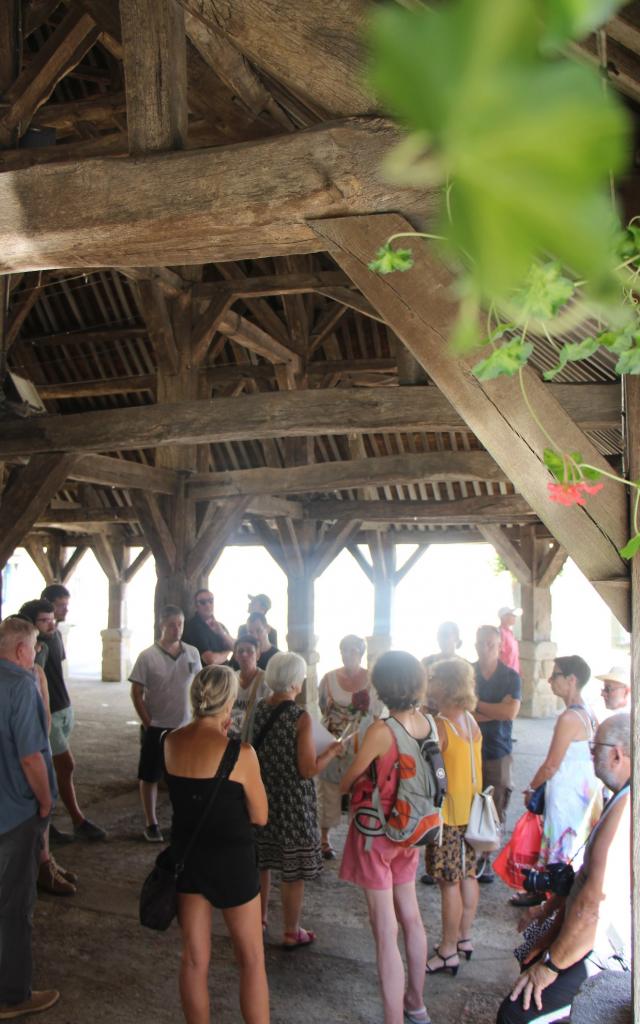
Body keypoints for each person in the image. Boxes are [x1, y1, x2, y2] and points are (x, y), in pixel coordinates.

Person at [497, 713, 631, 1024]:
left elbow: (591, 907)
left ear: (616, 754)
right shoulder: (620, 796)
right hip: (587, 935)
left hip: (605, 952)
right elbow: (582, 884)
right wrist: (547, 919)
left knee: (516, 1014)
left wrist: (550, 966)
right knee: (528, 952)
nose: (590, 753)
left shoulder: (625, 809)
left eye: (594, 747)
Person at [164, 666, 269, 1024]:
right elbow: (260, 816)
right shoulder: (241, 753)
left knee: (194, 959)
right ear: (229, 703)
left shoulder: (170, 741)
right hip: (233, 861)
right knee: (251, 959)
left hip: (188, 857)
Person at [339, 651, 432, 1024]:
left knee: (384, 928)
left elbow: (348, 779)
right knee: (411, 916)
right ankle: (417, 1004)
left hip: (375, 834)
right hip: (409, 830)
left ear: (381, 686)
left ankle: (393, 1018)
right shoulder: (428, 723)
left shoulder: (382, 731)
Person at [253, 651, 341, 948]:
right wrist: (331, 752)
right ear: (294, 683)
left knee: (261, 861)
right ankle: (291, 931)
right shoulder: (299, 717)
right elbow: (307, 769)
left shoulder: (258, 709)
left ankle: (258, 919)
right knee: (292, 870)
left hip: (261, 794)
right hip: (291, 801)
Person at [0, 616, 60, 1020]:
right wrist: (45, 802)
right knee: (14, 907)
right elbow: (30, 757)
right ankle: (13, 995)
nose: (37, 652)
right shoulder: (21, 686)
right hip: (15, 814)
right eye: (36, 645)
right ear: (22, 650)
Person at [510, 656, 601, 909]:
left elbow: (551, 764)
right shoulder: (588, 713)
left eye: (556, 675)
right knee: (572, 846)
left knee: (560, 848)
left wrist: (531, 787)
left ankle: (553, 903)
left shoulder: (569, 718)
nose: (550, 680)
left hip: (566, 796)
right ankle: (550, 896)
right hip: (582, 794)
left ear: (572, 680)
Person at [425, 657, 482, 976]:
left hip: (447, 815)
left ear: (445, 685)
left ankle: (447, 950)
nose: (429, 683)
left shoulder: (441, 725)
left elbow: (433, 769)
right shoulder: (470, 720)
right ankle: (464, 937)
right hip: (471, 812)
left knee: (448, 882)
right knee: (468, 875)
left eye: (433, 678)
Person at [17, 601, 76, 896]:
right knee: (36, 807)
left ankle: (45, 860)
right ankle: (41, 866)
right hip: (28, 754)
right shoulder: (25, 678)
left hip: (34, 746)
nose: (37, 649)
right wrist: (45, 796)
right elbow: (38, 730)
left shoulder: (34, 669)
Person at [40, 584, 106, 843]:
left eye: (66, 605)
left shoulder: (56, 635)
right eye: (61, 605)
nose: (65, 610)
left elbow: (56, 672)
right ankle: (70, 821)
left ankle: (50, 823)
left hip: (62, 708)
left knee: (56, 768)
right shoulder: (38, 642)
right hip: (50, 712)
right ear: (48, 604)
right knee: (63, 766)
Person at [129, 606, 200, 842]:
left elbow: (199, 686)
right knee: (150, 775)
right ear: (161, 625)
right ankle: (151, 823)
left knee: (185, 776)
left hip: (185, 726)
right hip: (158, 725)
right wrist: (148, 722)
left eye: (180, 624)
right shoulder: (147, 656)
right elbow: (136, 692)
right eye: (171, 625)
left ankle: (183, 820)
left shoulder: (192, 652)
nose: (176, 629)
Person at [318, 634, 377, 860]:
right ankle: (324, 839)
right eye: (344, 650)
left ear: (361, 653)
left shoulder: (372, 680)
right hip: (333, 743)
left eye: (353, 650)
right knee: (328, 789)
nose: (348, 654)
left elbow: (376, 712)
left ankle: (357, 839)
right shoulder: (328, 678)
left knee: (360, 789)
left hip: (361, 744)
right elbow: (323, 707)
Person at [473, 624, 521, 881]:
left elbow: (509, 713)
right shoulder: (467, 673)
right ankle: (466, 853)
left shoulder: (510, 677)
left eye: (490, 644)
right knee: (467, 801)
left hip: (498, 749)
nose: (485, 648)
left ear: (500, 646)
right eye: (481, 643)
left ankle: (485, 858)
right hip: (468, 748)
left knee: (495, 803)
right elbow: (459, 709)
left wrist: (476, 706)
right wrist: (495, 710)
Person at [229, 635, 269, 742]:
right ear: (235, 656)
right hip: (230, 736)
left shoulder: (266, 680)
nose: (244, 654)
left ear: (258, 655)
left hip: (255, 737)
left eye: (249, 651)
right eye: (240, 651)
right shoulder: (230, 679)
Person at [182, 589, 235, 667]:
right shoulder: (193, 627)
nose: (208, 605)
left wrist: (222, 633)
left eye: (211, 601)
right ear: (196, 606)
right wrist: (228, 652)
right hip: (206, 673)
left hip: (224, 671)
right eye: (203, 602)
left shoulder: (219, 625)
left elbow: (236, 647)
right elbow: (210, 660)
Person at [498, 607, 521, 673]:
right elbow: (499, 655)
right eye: (512, 615)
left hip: (514, 672)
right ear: (503, 617)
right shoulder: (501, 633)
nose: (515, 617)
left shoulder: (510, 633)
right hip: (506, 673)